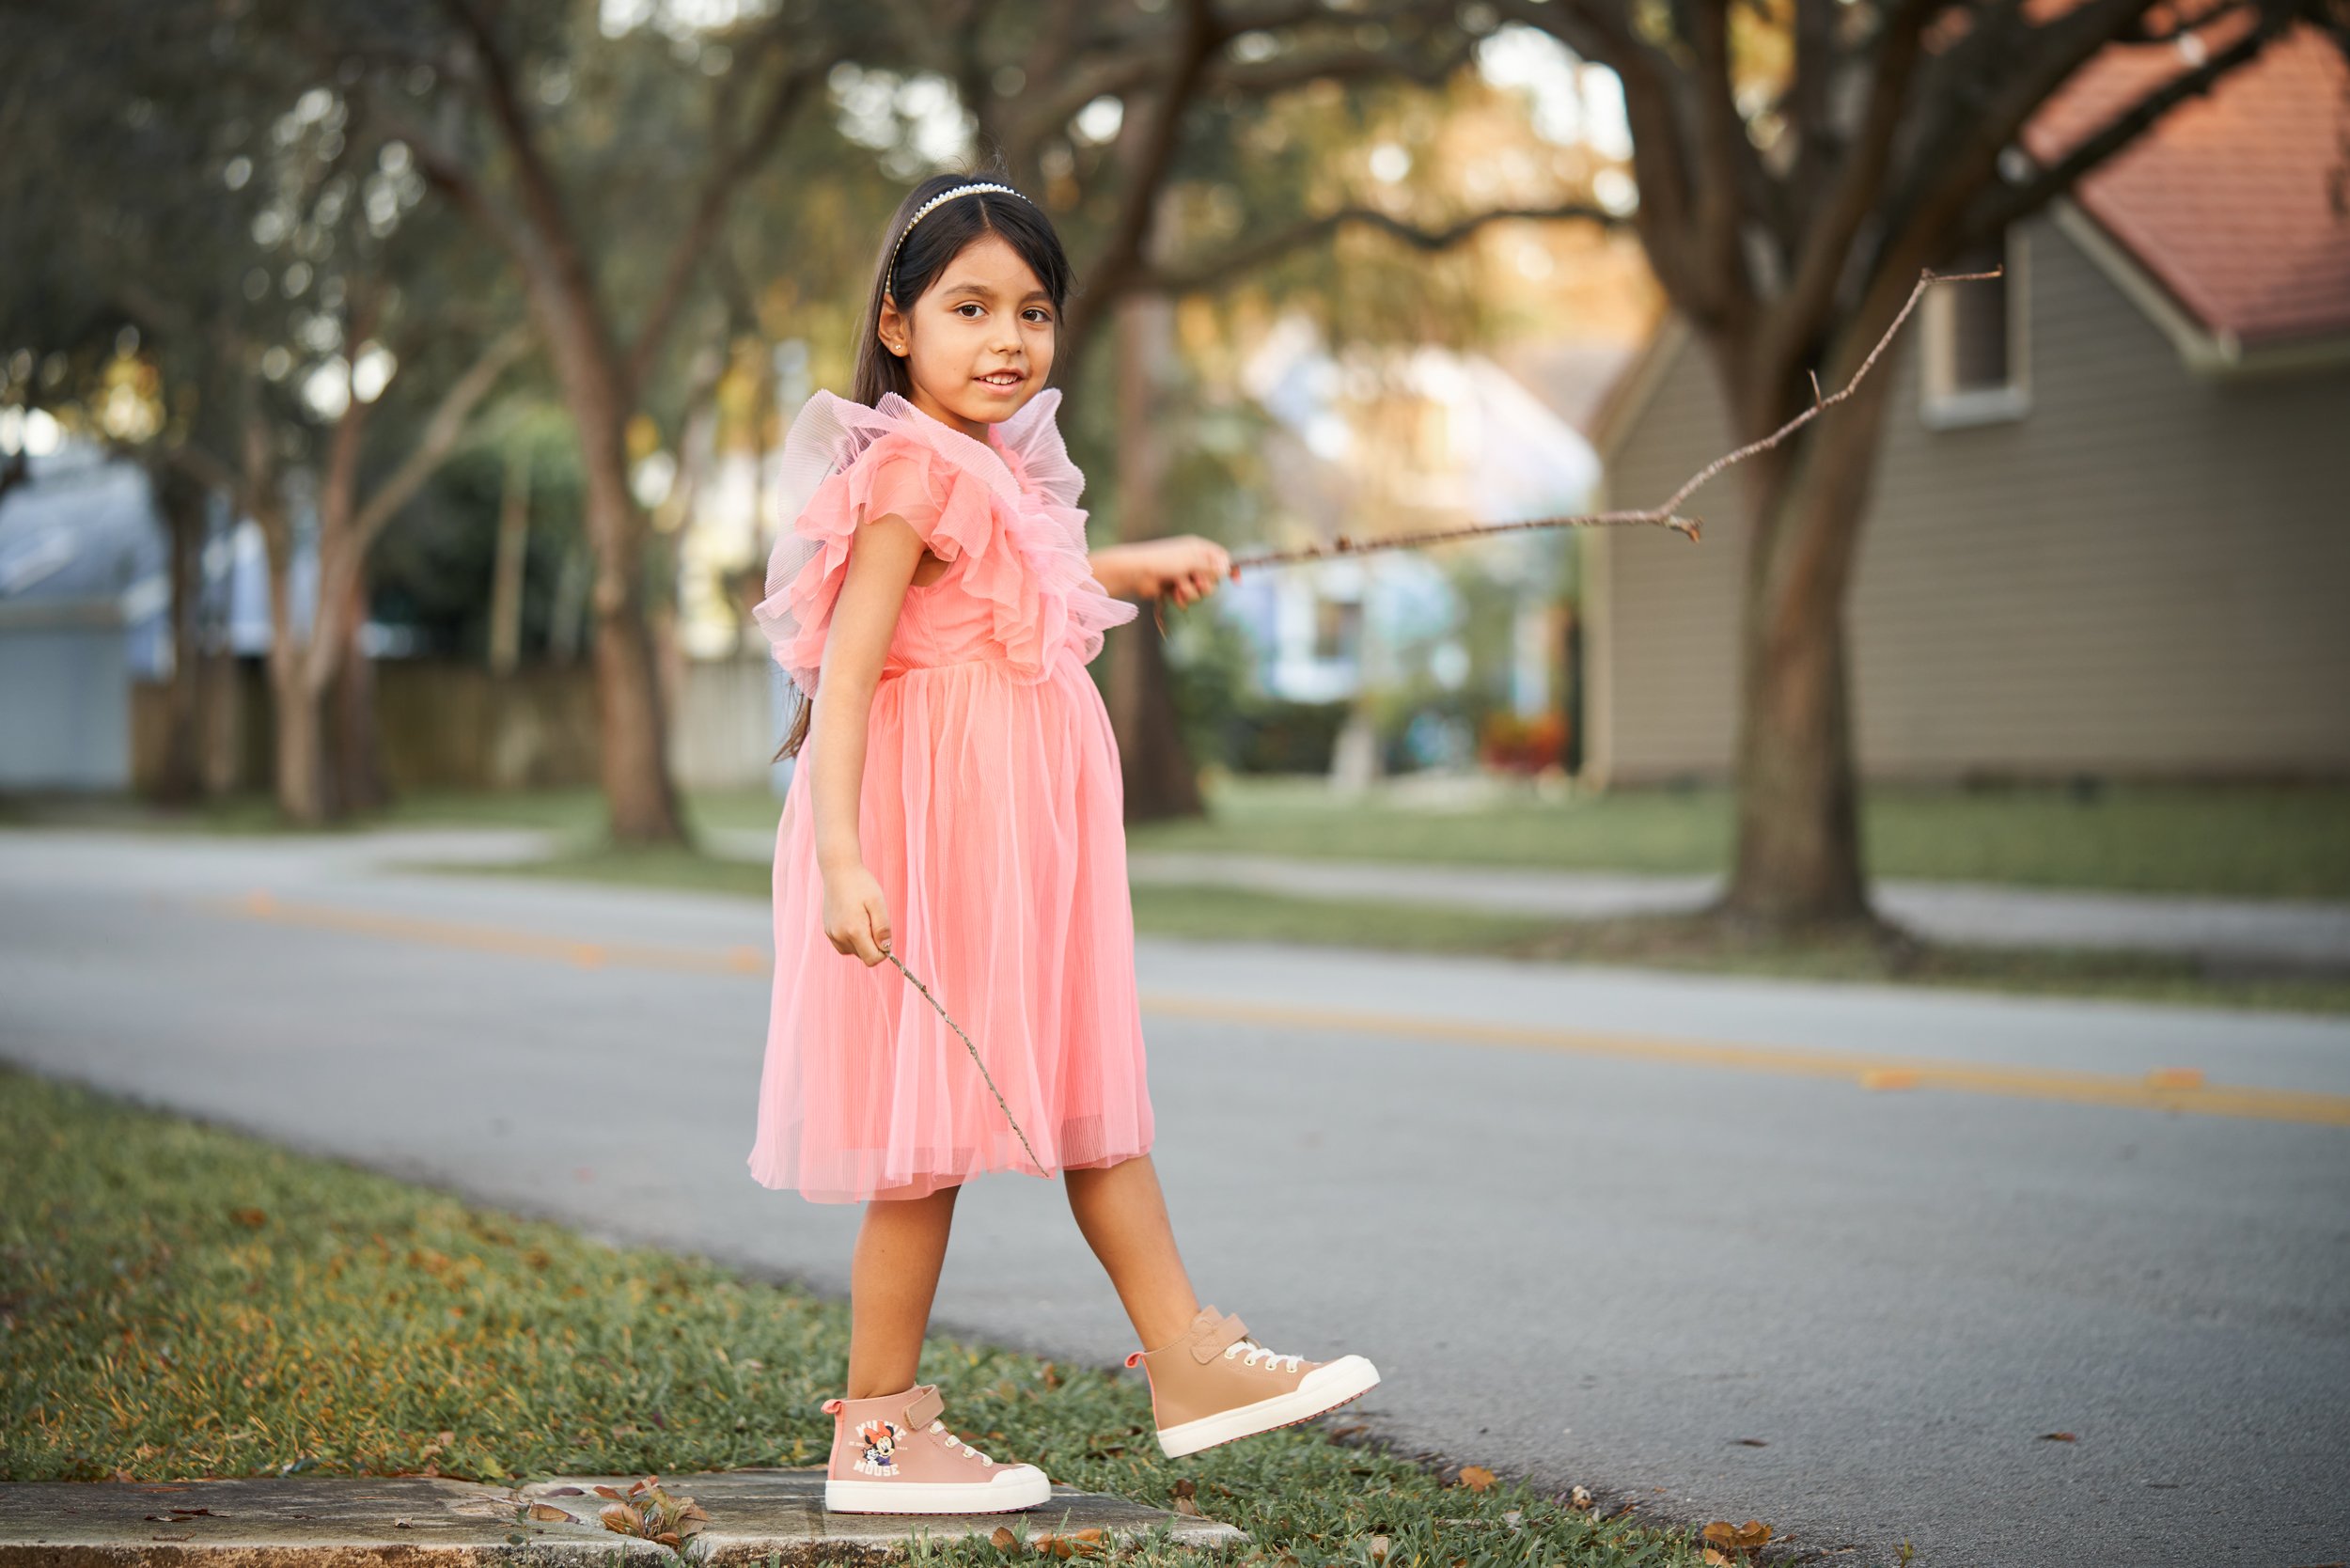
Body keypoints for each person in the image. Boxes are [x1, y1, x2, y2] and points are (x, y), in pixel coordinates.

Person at [747, 171, 1380, 1516]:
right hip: (934, 834)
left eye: (1033, 311)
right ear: (897, 323)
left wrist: (1142, 565)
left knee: (1089, 1085)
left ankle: (1188, 1365)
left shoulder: (995, 464)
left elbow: (1032, 583)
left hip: (1021, 837)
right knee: (928, 1133)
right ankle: (876, 1434)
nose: (1007, 340)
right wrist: (848, 858)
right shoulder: (911, 467)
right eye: (968, 307)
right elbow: (852, 674)